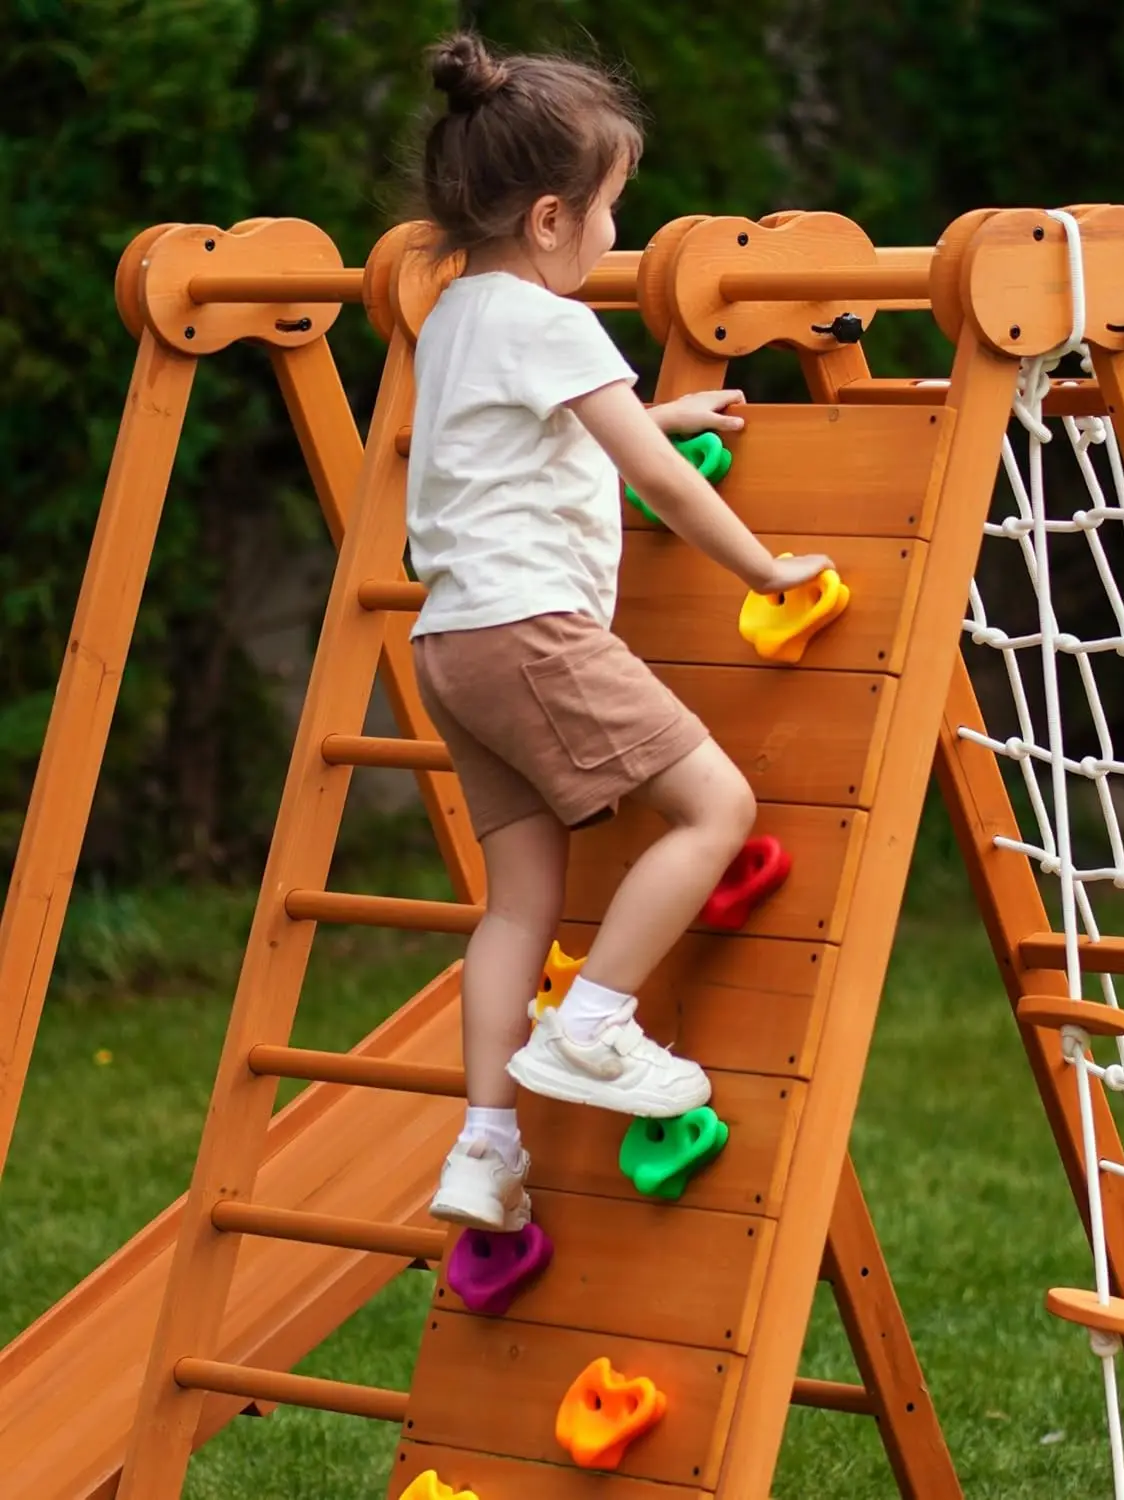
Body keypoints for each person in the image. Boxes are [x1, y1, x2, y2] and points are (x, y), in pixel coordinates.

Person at [403, 33, 835, 1235]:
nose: (613, 238)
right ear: (550, 219)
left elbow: (541, 438)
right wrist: (767, 564)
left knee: (517, 903)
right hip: (535, 632)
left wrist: (652, 409)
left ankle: (486, 1147)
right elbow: (666, 482)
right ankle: (594, 1023)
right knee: (716, 808)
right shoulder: (554, 324)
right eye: (609, 213)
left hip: (453, 646)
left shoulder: (454, 315)